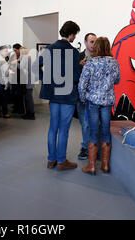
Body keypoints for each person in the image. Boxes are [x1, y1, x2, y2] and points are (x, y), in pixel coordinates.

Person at [38, 21, 81, 170]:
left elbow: (35, 66)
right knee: (64, 129)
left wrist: (46, 80)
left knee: (53, 127)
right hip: (67, 95)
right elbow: (75, 76)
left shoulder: (49, 48)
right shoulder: (73, 52)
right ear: (71, 34)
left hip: (53, 94)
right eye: (75, 34)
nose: (75, 37)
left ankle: (51, 160)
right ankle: (61, 161)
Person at [78, 37, 121, 175]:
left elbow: (82, 84)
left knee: (93, 132)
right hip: (107, 102)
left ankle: (91, 166)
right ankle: (105, 165)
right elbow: (118, 80)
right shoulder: (114, 62)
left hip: (93, 102)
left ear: (96, 47)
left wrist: (84, 98)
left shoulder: (91, 63)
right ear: (108, 47)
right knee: (106, 132)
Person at [76, 33, 97, 160]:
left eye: (95, 41)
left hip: (95, 97)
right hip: (82, 97)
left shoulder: (100, 59)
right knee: (85, 124)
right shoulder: (78, 57)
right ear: (85, 42)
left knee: (96, 123)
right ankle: (85, 147)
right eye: (91, 41)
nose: (93, 44)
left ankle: (93, 148)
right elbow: (74, 76)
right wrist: (80, 67)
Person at [19, 46, 35, 120]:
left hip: (28, 80)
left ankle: (31, 114)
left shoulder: (25, 57)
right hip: (31, 80)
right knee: (29, 97)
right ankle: (29, 113)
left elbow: (21, 67)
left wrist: (16, 63)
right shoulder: (30, 57)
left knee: (28, 98)